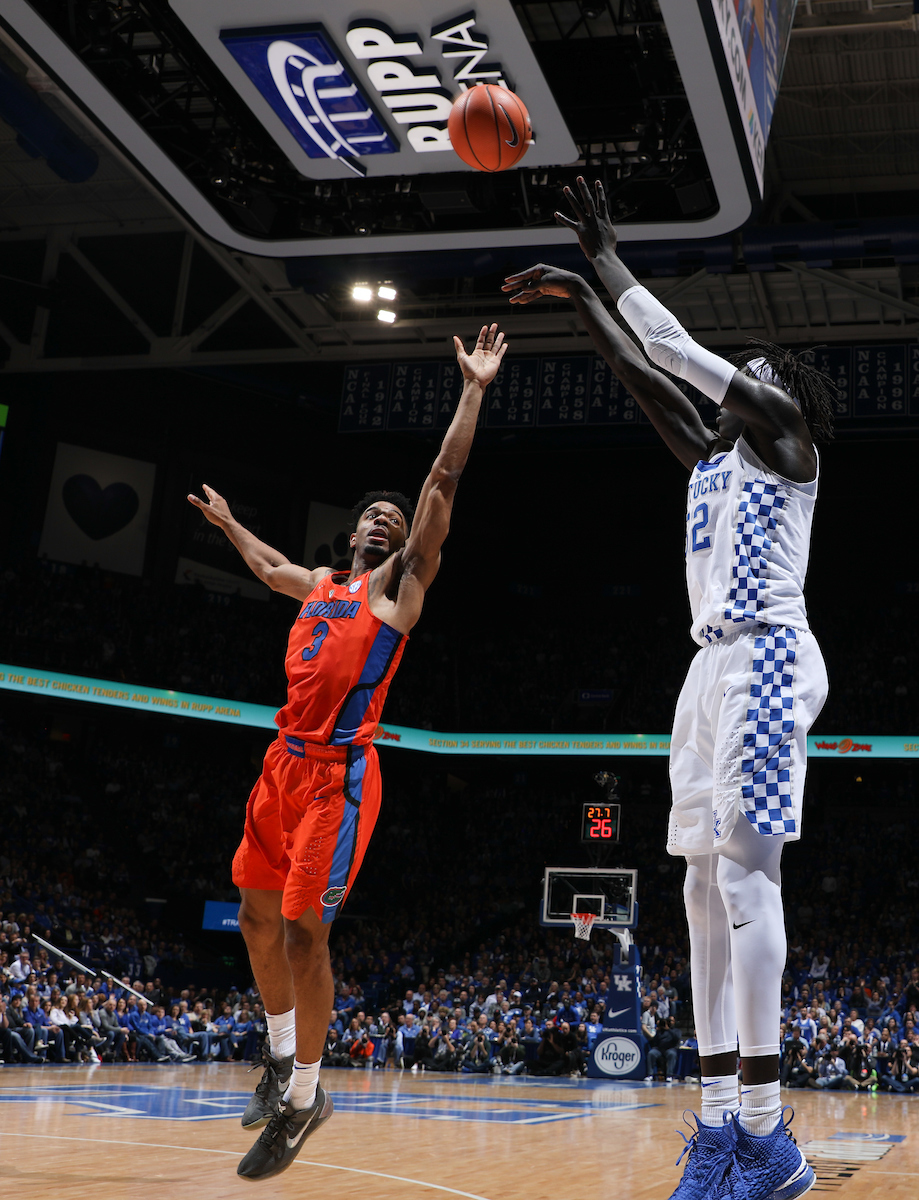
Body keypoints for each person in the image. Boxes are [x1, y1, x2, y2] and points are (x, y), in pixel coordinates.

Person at [504, 177, 836, 1200]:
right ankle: (720, 1128)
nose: (745, 376)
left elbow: (680, 357)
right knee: (694, 889)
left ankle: (767, 1140)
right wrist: (585, 306)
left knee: (743, 880)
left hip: (770, 655)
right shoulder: (709, 461)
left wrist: (605, 258)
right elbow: (648, 376)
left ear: (780, 393)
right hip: (708, 670)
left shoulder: (786, 443)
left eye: (758, 371)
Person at [186, 323, 508, 1181]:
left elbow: (440, 481)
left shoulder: (395, 592)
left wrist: (472, 389)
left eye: (393, 518)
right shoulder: (317, 585)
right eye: (372, 512)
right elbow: (266, 565)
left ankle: (304, 1099)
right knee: (253, 919)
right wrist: (226, 524)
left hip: (338, 778)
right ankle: (279, 1056)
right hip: (278, 768)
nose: (383, 517)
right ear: (350, 530)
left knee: (301, 934)